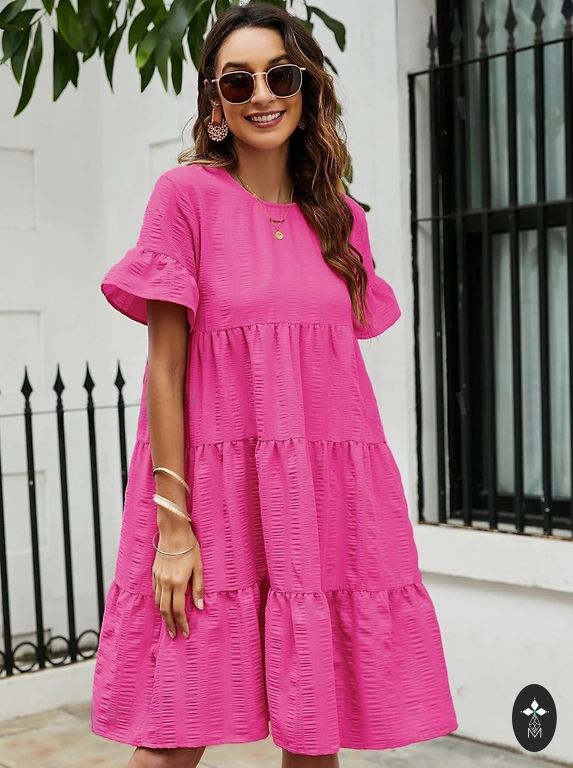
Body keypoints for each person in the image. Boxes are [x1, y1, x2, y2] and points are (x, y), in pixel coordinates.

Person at [90, 2, 458, 767]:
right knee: (172, 733)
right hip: (212, 500)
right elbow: (165, 370)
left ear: (305, 86)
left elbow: (334, 377)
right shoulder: (184, 197)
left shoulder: (340, 217)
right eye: (238, 81)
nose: (261, 94)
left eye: (279, 75)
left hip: (323, 502)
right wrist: (173, 528)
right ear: (214, 101)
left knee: (314, 732)